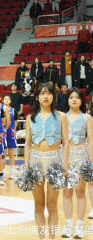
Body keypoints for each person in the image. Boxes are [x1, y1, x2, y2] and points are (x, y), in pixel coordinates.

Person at [24, 83, 69, 240]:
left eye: (49, 93)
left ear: (53, 96)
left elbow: (66, 142)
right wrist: (26, 167)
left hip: (54, 162)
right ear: (37, 97)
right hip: (35, 162)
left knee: (52, 205)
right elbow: (28, 144)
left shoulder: (61, 116)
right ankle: (42, 238)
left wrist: (65, 165)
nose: (45, 96)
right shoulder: (31, 118)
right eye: (42, 93)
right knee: (38, 204)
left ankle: (51, 238)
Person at [62, 88, 93, 239]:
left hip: (81, 156)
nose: (74, 99)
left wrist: (91, 161)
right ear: (67, 100)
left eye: (77, 97)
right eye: (71, 97)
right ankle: (68, 226)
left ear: (82, 100)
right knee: (67, 192)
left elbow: (91, 140)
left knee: (80, 192)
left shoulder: (87, 118)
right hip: (65, 157)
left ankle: (79, 227)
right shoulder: (61, 117)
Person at [2, 95, 19, 179]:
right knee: (4, 153)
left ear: (10, 101)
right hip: (3, 131)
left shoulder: (13, 110)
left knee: (11, 153)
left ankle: (11, 173)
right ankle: (3, 172)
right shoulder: (0, 109)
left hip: (11, 131)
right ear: (2, 100)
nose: (7, 100)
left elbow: (15, 122)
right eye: (5, 98)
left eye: (8, 99)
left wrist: (13, 130)